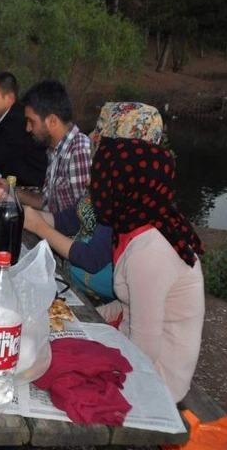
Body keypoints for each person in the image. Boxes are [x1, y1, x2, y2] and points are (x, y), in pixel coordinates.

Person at [90, 136, 205, 402]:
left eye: (100, 179)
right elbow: (130, 305)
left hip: (157, 379)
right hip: (140, 355)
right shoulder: (141, 225)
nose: (92, 186)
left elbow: (144, 350)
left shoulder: (150, 252)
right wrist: (85, 319)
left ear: (123, 186)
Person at [22, 102, 165, 301]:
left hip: (99, 300)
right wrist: (26, 213)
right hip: (73, 283)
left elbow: (93, 259)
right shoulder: (109, 176)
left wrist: (39, 227)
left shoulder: (131, 196)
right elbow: (69, 220)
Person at [18, 80, 91, 214]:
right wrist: (11, 191)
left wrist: (37, 224)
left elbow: (80, 221)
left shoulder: (79, 151)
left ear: (52, 121)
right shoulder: (54, 149)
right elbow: (48, 203)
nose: (27, 128)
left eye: (31, 121)